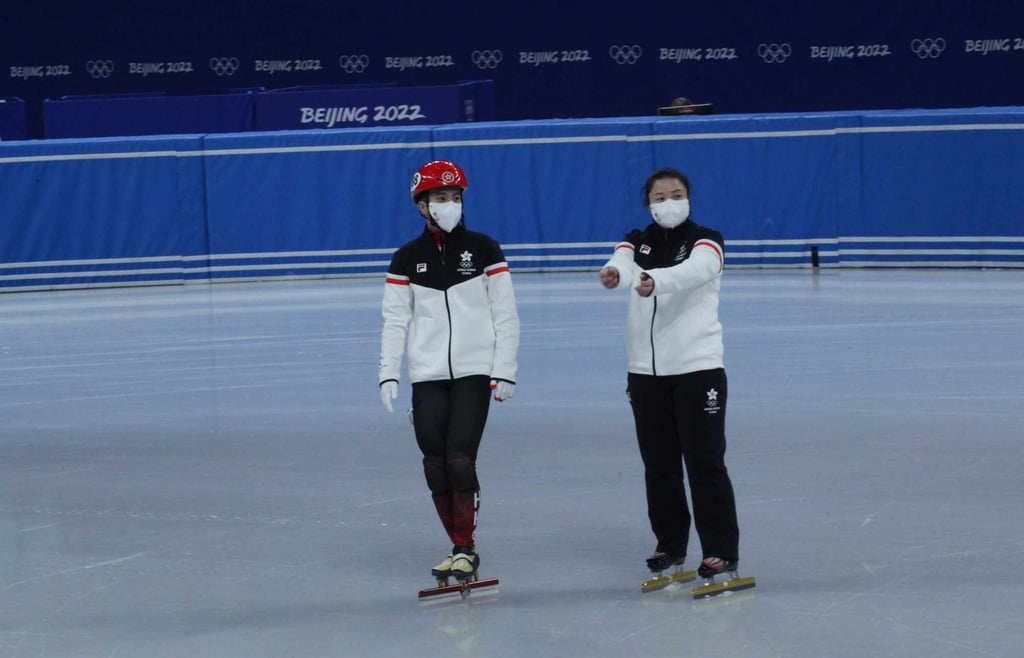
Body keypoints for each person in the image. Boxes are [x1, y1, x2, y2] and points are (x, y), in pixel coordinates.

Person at [599, 166, 743, 583]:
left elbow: (696, 272)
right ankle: (670, 544)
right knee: (658, 465)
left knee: (704, 462)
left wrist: (653, 280)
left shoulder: (707, 240)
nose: (668, 202)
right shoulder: (637, 240)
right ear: (648, 202)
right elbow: (622, 263)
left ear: (689, 197)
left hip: (698, 370)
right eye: (659, 197)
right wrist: (616, 275)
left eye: (676, 194)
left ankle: (720, 550)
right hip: (645, 373)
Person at [378, 159, 520, 583]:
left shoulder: (485, 249)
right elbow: (395, 320)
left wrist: (505, 369)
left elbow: (506, 315)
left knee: (460, 459)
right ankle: (455, 542)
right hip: (428, 375)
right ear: (422, 204)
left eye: (455, 197)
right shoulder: (407, 258)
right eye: (441, 198)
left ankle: (465, 548)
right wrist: (389, 372)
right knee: (434, 465)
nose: (449, 205)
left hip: (475, 372)